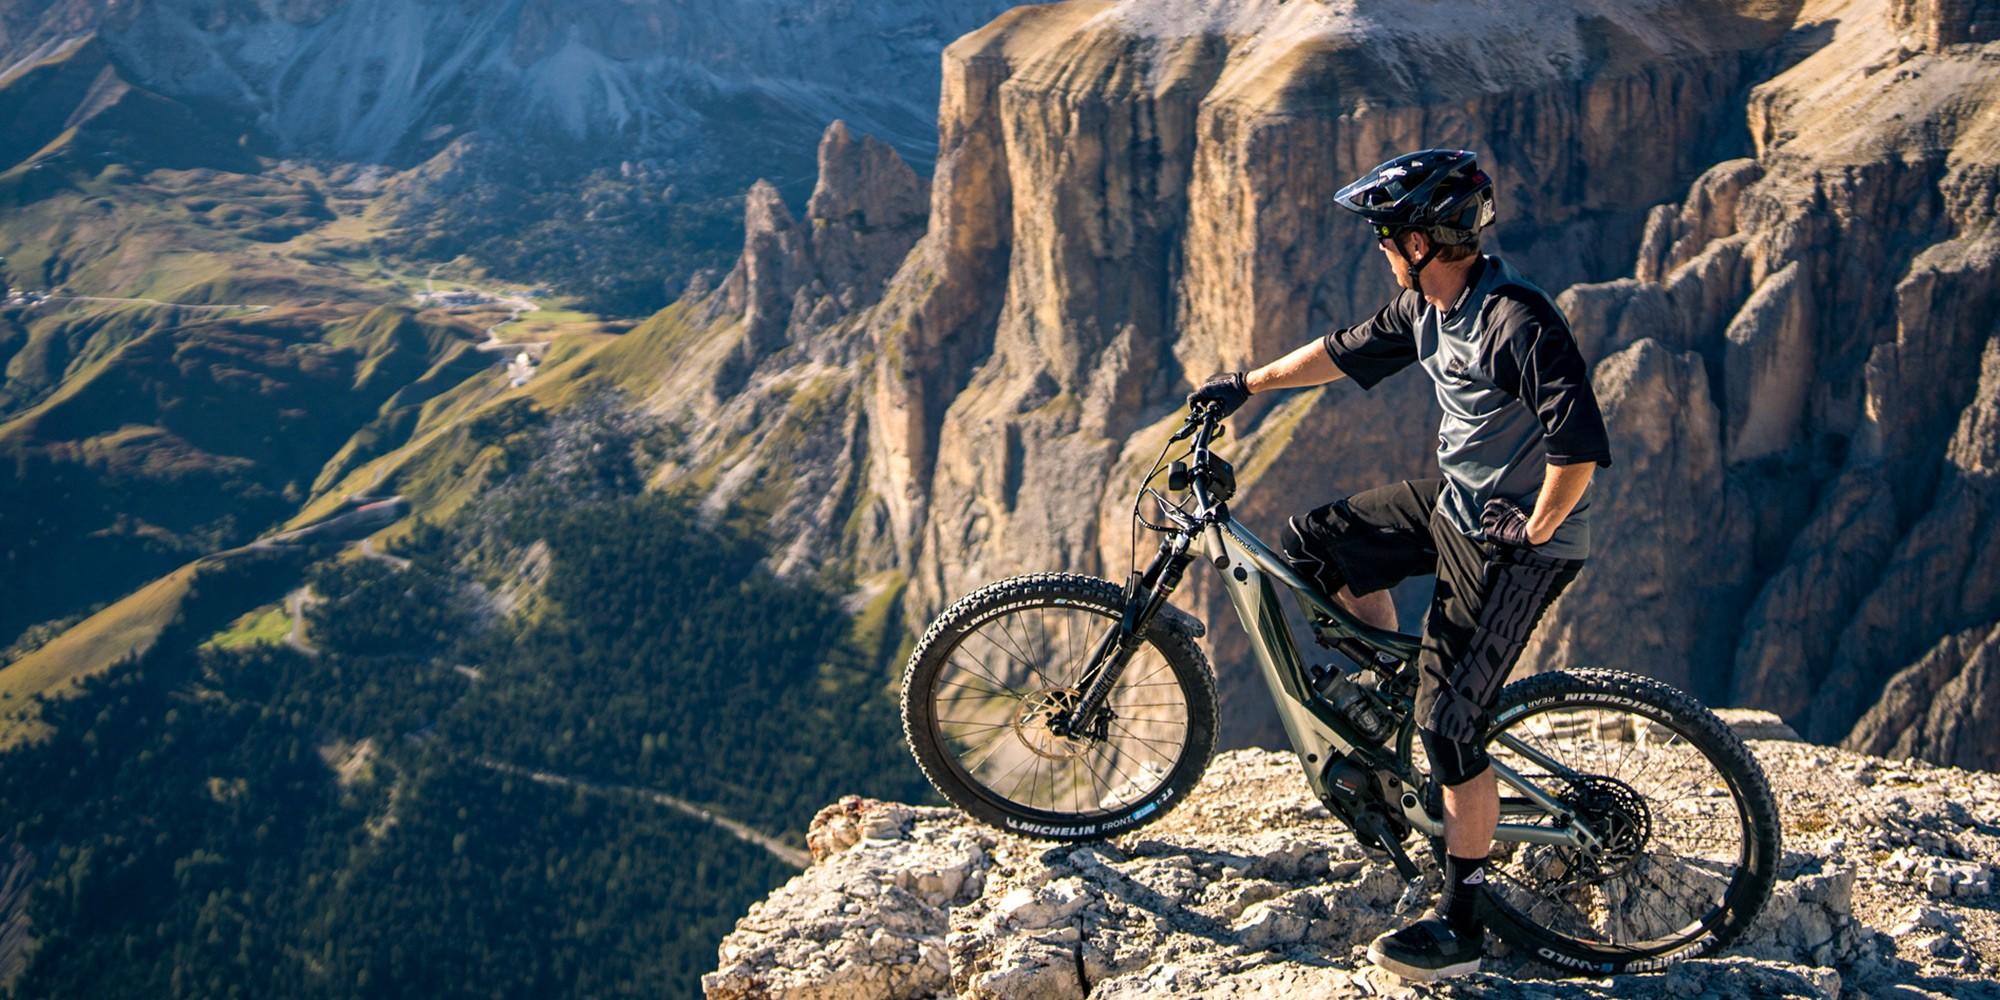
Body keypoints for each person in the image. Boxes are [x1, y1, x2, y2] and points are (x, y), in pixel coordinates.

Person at [1186, 148, 1613, 981]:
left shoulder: (1514, 319)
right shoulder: (1427, 308)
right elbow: (1340, 353)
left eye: (1387, 236)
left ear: (1422, 241)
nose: (1380, 249)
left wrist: (1533, 528)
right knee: (1315, 544)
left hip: (1518, 540)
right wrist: (1244, 383)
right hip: (1457, 506)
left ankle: (1463, 918)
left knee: (1451, 728)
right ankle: (1392, 695)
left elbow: (1581, 444)